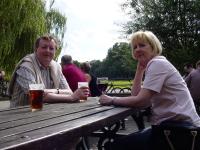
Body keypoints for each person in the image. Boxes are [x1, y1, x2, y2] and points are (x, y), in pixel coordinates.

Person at [99, 31, 200, 150]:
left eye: (142, 45)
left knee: (113, 146)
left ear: (153, 47)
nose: (137, 49)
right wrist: (139, 70)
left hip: (180, 133)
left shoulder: (157, 64)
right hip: (175, 128)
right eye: (135, 47)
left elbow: (141, 101)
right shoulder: (156, 64)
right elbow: (136, 95)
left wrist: (112, 100)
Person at [8, 35, 89, 107]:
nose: (47, 51)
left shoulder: (56, 67)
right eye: (44, 47)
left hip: (42, 112)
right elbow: (37, 96)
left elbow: (69, 91)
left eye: (51, 48)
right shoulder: (26, 66)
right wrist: (71, 98)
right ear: (36, 49)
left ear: (55, 52)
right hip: (19, 115)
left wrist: (51, 91)